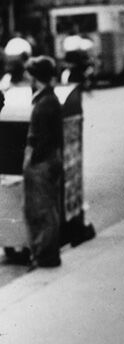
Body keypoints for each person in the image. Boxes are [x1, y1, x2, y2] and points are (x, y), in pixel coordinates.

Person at [23, 56, 64, 269]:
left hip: (43, 162)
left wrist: (33, 159)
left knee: (42, 210)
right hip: (48, 160)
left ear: (35, 77)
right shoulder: (48, 98)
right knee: (45, 208)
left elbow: (45, 138)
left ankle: (45, 255)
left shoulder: (45, 102)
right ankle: (45, 253)